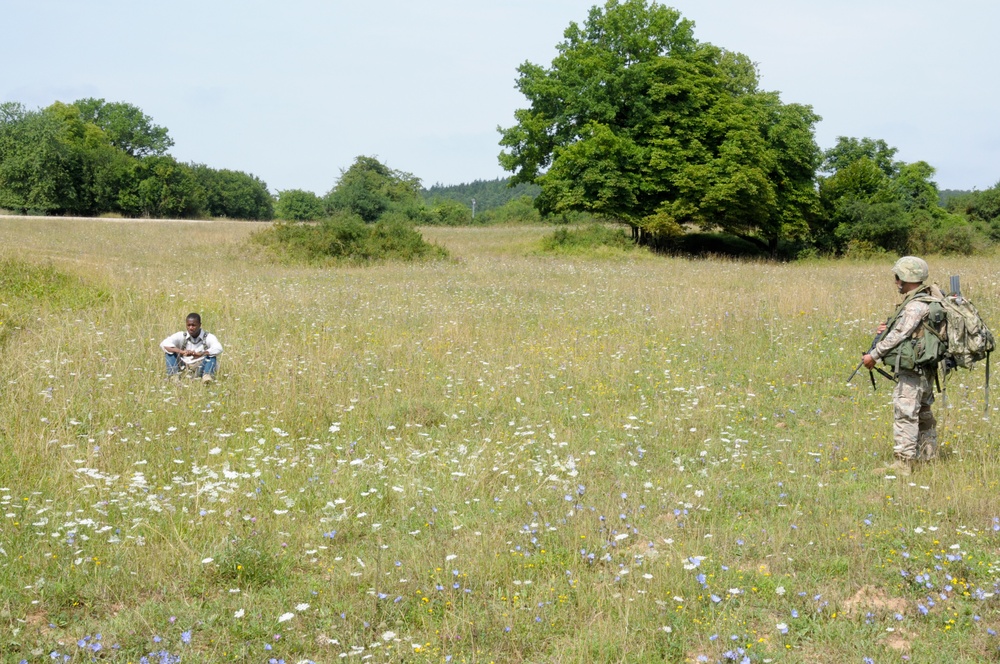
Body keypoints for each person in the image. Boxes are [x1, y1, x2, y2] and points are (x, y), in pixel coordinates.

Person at [862, 256, 938, 475]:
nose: (896, 282)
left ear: (906, 277)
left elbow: (899, 334)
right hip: (928, 366)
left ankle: (903, 463)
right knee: (924, 411)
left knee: (905, 412)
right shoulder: (931, 298)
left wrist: (873, 355)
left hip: (913, 369)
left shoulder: (915, 305)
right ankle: (927, 455)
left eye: (898, 277)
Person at [160, 313, 223, 383]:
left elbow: (218, 348)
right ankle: (174, 376)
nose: (190, 328)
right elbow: (164, 343)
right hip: (183, 366)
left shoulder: (208, 337)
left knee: (212, 355)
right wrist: (182, 352)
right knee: (169, 352)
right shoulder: (181, 335)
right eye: (188, 325)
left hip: (200, 366)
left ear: (199, 325)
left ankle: (207, 377)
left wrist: (201, 353)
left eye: (193, 325)